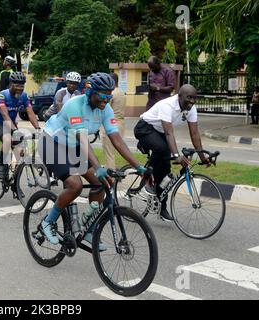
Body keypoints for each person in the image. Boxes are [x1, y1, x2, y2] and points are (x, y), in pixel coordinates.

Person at [38, 72, 147, 248]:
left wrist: (138, 166)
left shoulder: (106, 109)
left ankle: (88, 228)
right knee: (75, 185)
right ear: (90, 92)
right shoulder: (75, 105)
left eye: (109, 95)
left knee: (100, 183)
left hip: (73, 145)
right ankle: (47, 222)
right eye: (102, 95)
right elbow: (82, 139)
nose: (106, 100)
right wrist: (97, 166)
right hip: (52, 143)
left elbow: (116, 139)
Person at [134, 84, 212, 222]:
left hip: (160, 133)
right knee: (163, 149)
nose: (192, 101)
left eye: (195, 98)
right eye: (189, 98)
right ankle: (147, 181)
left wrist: (202, 157)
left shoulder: (191, 109)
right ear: (179, 96)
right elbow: (169, 133)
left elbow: (194, 134)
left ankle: (161, 207)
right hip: (145, 128)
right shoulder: (168, 105)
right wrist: (176, 156)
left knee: (166, 173)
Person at [0, 71, 41, 179]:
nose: (20, 88)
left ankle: (15, 186)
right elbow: (4, 114)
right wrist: (14, 130)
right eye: (17, 85)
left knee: (21, 155)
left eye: (22, 85)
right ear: (11, 84)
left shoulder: (23, 96)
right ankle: (1, 167)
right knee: (7, 139)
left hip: (12, 125)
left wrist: (38, 128)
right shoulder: (3, 95)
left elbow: (30, 113)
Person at [99, 73, 126, 169]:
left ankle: (111, 178)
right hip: (121, 124)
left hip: (110, 124)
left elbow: (104, 109)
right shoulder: (122, 92)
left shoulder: (111, 94)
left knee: (109, 154)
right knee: (113, 152)